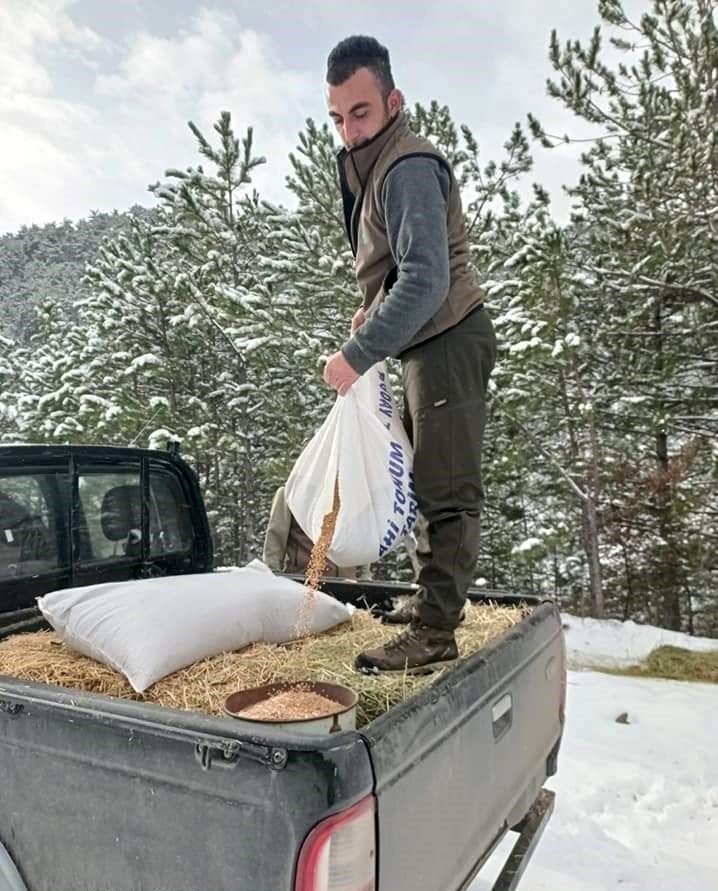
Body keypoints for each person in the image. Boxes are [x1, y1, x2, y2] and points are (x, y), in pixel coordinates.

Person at [322, 36, 497, 673]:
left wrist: (358, 353)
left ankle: (434, 637)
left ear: (393, 101)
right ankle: (430, 607)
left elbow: (427, 279)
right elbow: (407, 270)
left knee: (447, 491)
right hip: (429, 342)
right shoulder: (379, 165)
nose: (349, 130)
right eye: (338, 118)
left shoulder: (407, 165)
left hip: (448, 340)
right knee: (427, 485)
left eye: (361, 113)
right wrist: (377, 306)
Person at [262, 485, 371, 579]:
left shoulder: (354, 497)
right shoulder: (292, 492)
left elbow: (362, 540)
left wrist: (364, 578)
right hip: (302, 584)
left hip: (346, 586)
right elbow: (275, 543)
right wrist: (274, 579)